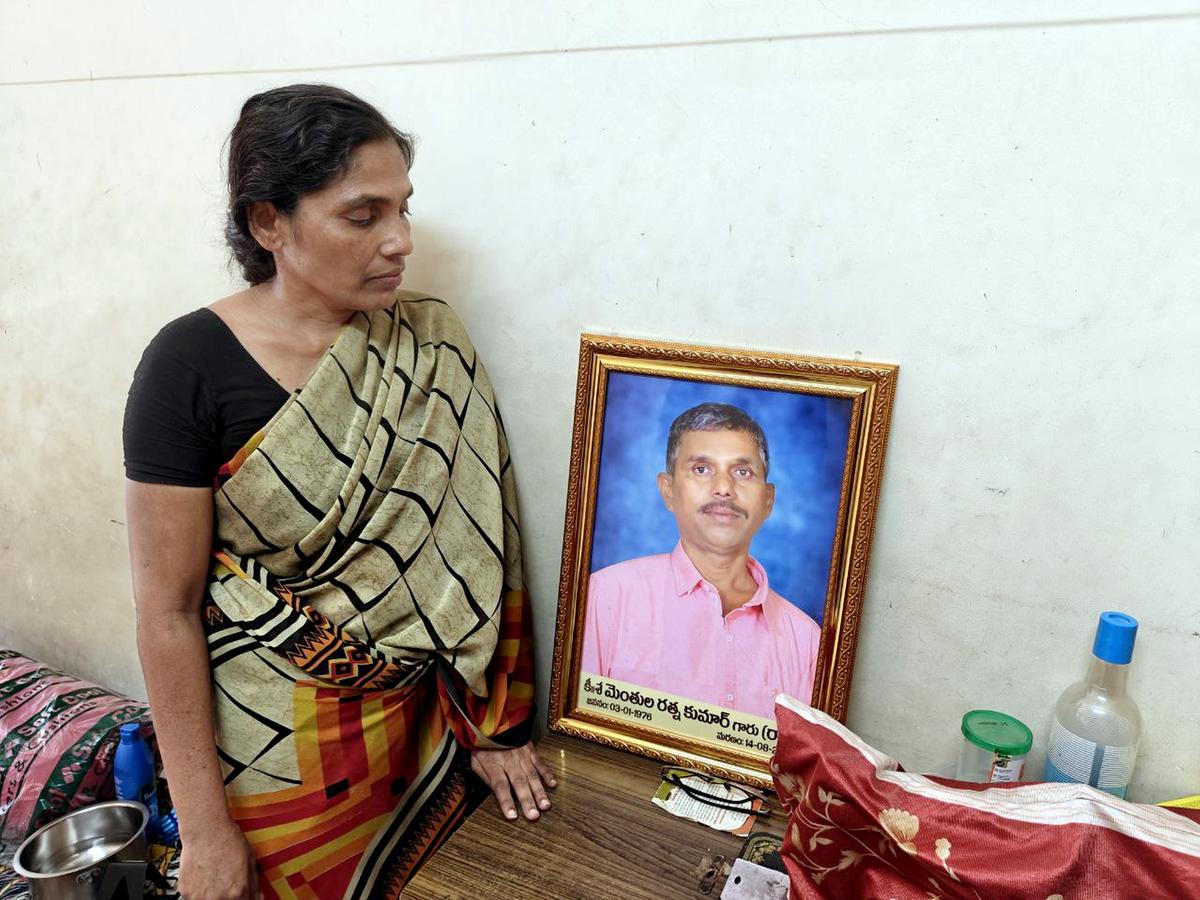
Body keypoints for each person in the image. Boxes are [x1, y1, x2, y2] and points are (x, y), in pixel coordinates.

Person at [123, 84, 553, 900]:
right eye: (363, 216)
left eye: (404, 210)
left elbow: (485, 553)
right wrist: (206, 830)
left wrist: (494, 728)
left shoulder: (432, 344)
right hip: (267, 755)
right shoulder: (187, 366)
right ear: (268, 224)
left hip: (418, 736)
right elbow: (166, 612)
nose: (399, 242)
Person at [580, 402, 821, 720]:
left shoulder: (805, 640)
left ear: (767, 499)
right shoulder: (606, 597)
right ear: (667, 490)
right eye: (702, 469)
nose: (723, 488)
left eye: (742, 472)